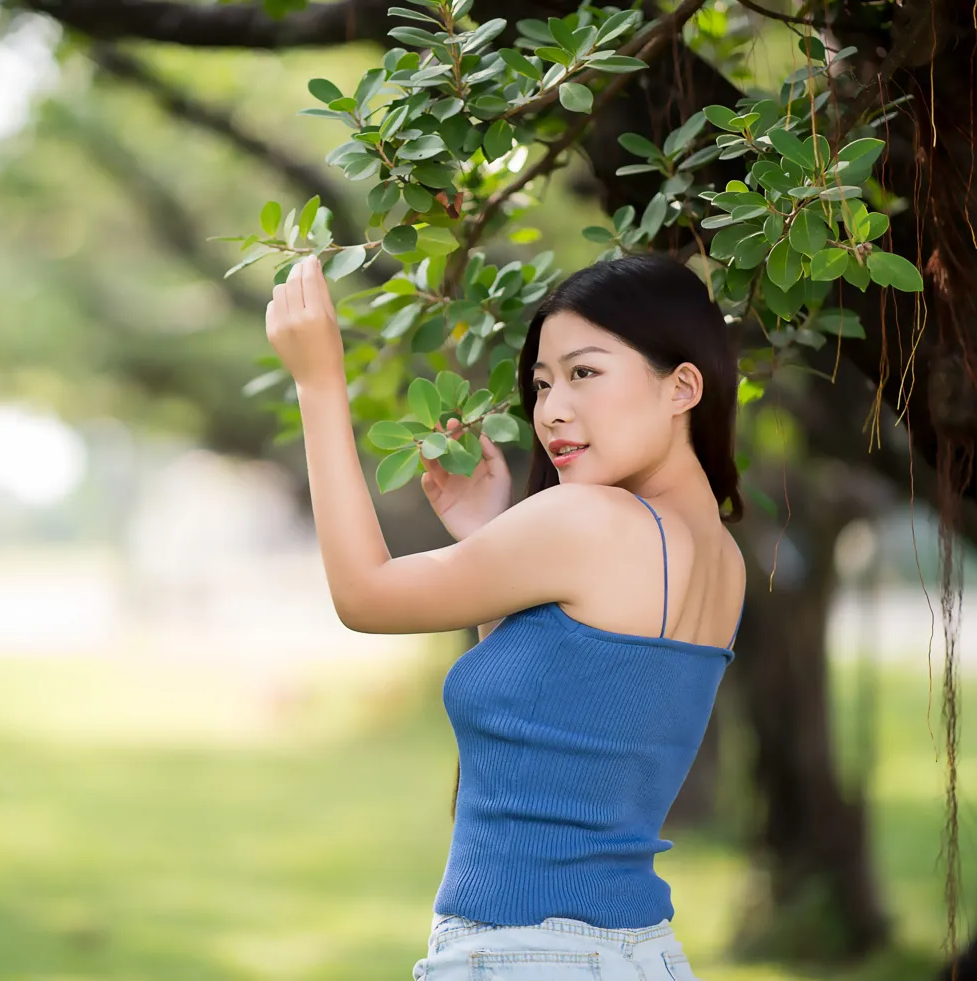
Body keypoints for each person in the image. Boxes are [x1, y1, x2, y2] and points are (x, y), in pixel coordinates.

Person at [265, 251, 746, 981]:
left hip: (528, 955)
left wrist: (318, 381)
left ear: (682, 387)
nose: (552, 408)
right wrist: (489, 531)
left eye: (585, 373)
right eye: (543, 382)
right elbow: (562, 719)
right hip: (638, 955)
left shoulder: (592, 520)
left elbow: (364, 594)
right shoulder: (722, 558)